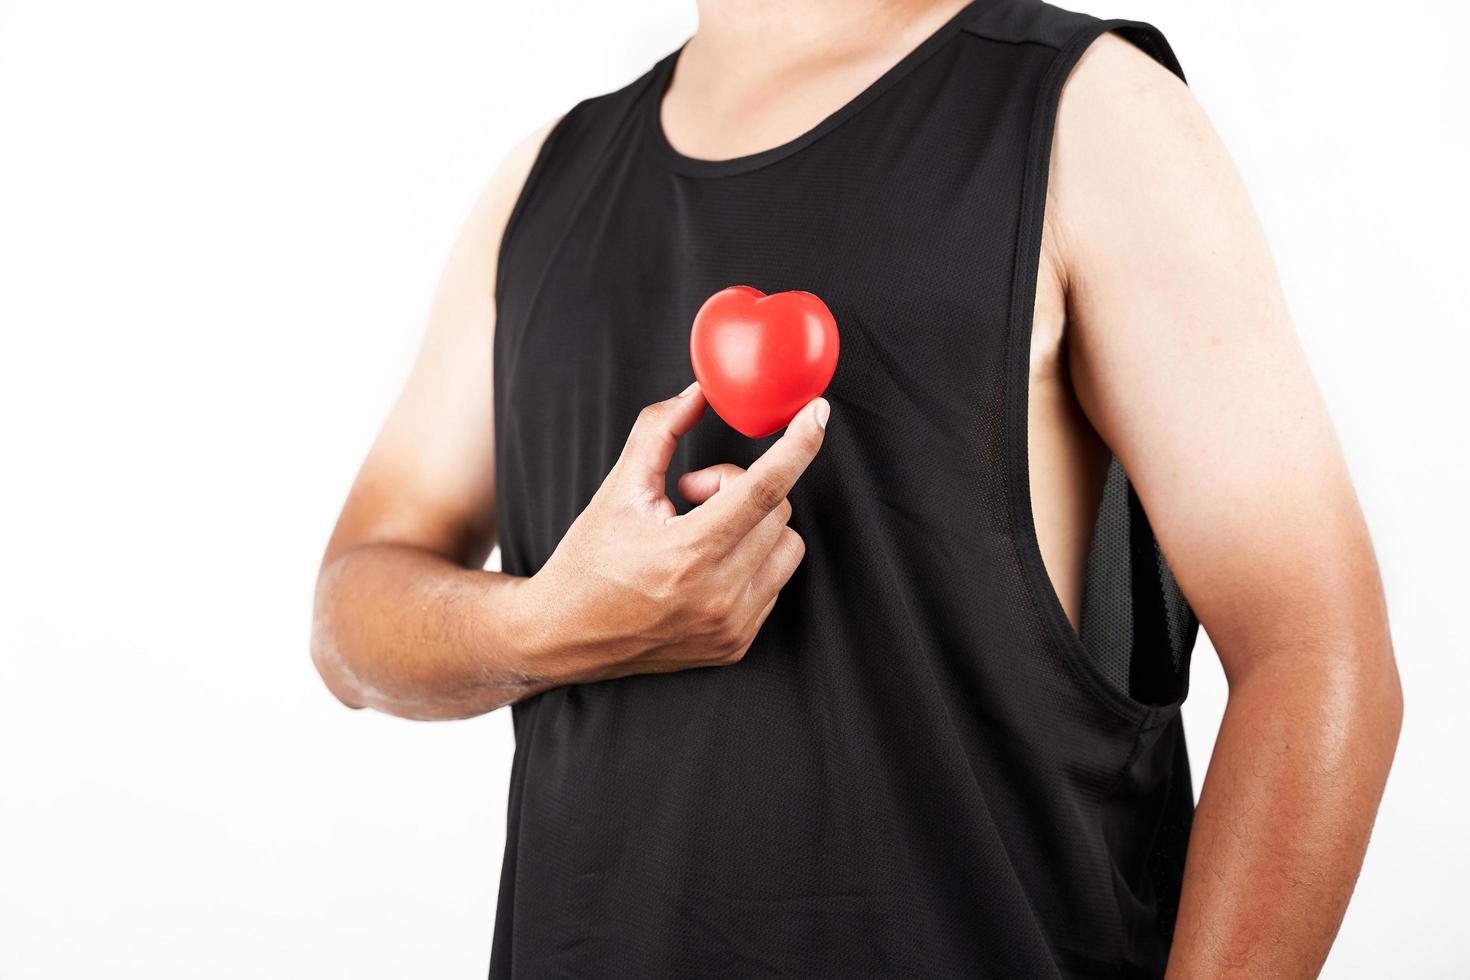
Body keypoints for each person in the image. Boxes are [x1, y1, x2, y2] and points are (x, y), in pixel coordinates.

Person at [310, 0, 1403, 975]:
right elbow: (351, 608)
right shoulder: (539, 184)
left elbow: (1315, 652)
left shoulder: (1090, 115)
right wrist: (554, 621)